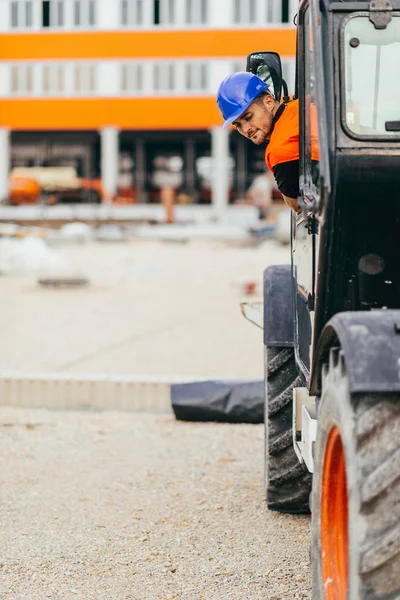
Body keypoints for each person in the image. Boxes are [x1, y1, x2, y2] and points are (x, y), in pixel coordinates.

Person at [216, 71, 319, 212]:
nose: (246, 129)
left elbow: (299, 206)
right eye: (238, 125)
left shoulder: (279, 150)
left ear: (269, 102)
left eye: (248, 117)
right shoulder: (303, 104)